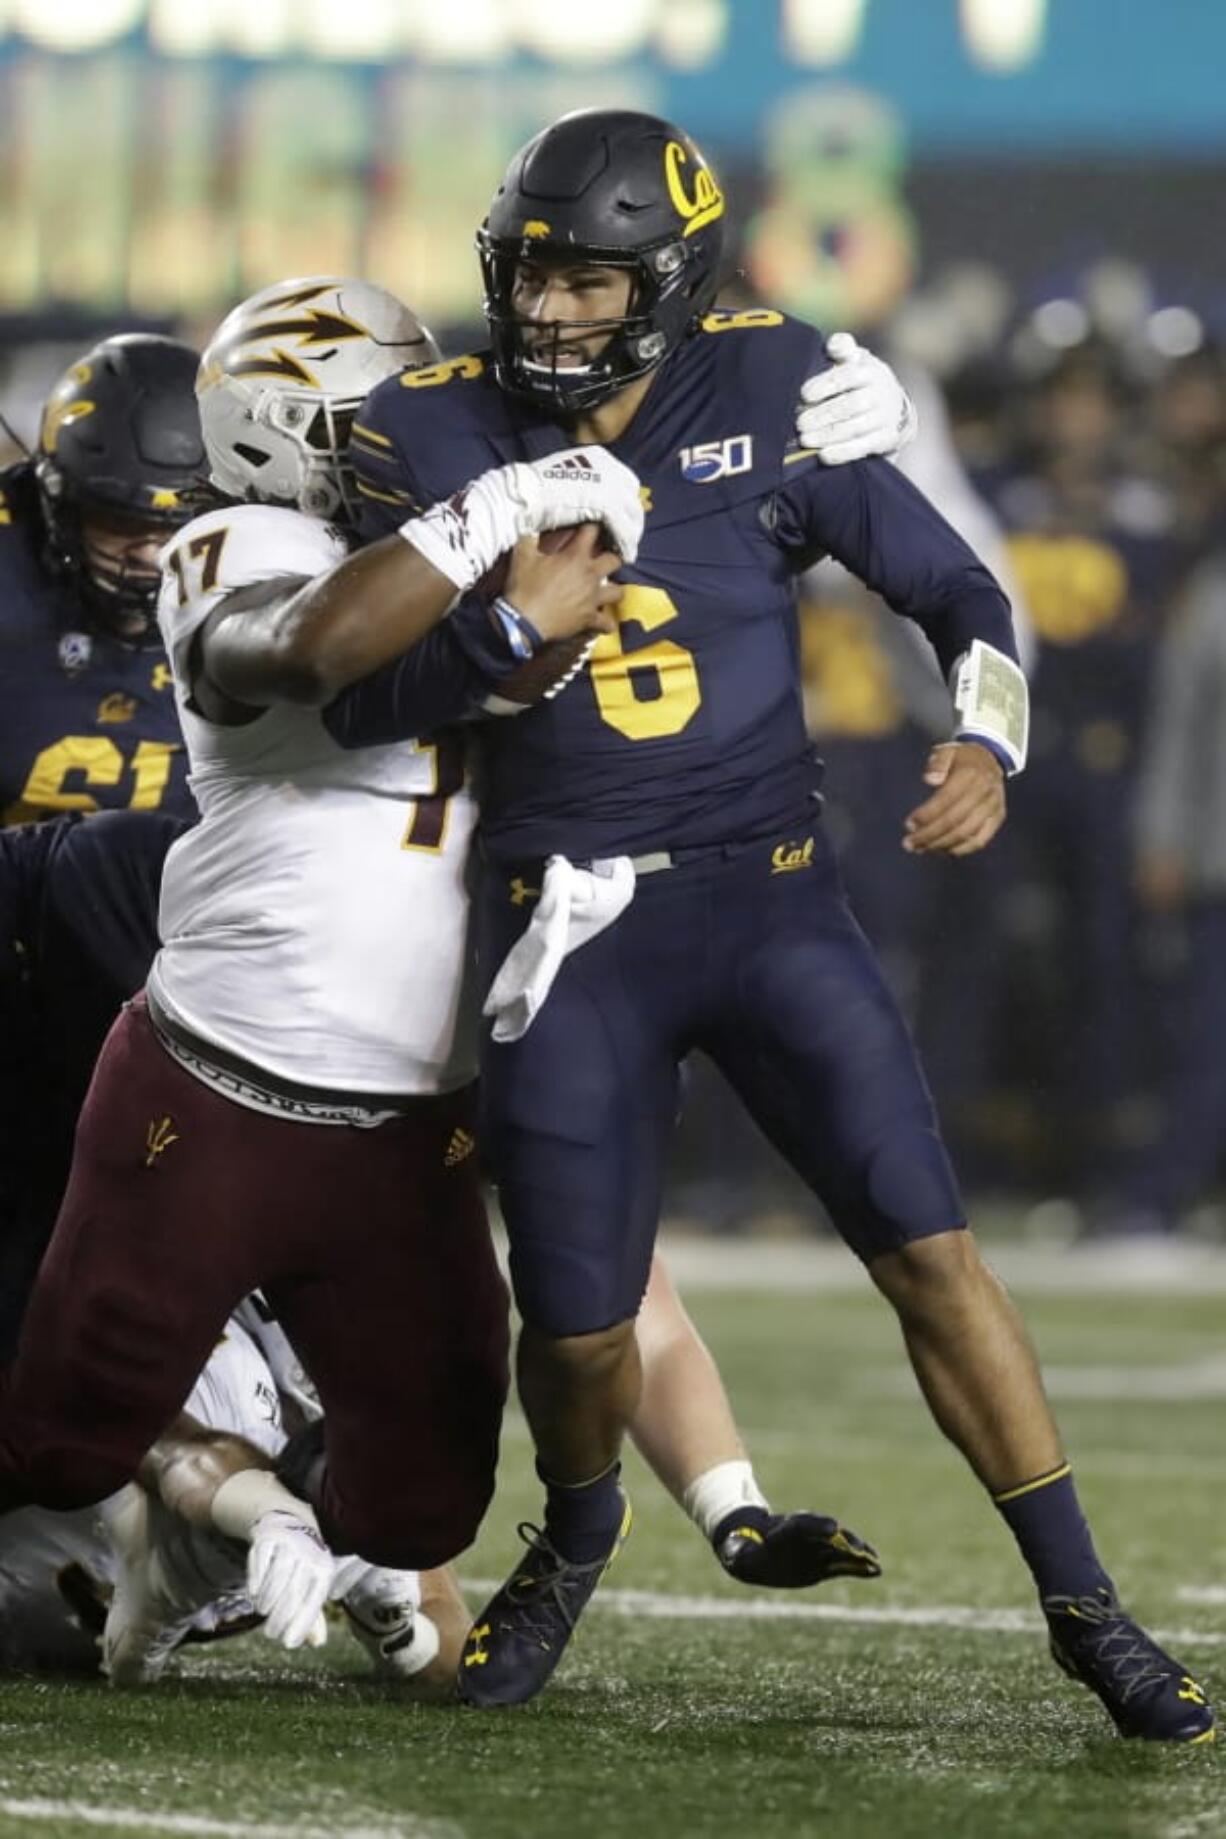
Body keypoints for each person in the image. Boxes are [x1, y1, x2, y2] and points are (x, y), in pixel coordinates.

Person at [342, 110, 1214, 1741]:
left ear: (666, 284)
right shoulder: (428, 424)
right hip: (561, 915)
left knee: (933, 1252)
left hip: (767, 893)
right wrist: (502, 630)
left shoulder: (769, 384)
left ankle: (1087, 1601)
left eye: (590, 284)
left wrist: (986, 732)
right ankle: (579, 1527)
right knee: (581, 1321)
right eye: (534, 273)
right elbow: (358, 695)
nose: (548, 311)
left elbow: (961, 589)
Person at [0, 276, 638, 1578]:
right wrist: (504, 530)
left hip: (402, 1104)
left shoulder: (425, 558)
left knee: (421, 1509)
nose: (417, 443)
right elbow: (313, 657)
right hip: (199, 1057)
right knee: (57, 1443)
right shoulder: (231, 549)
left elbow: (519, 669)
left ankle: (236, 1528)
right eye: (376, 422)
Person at [0, 1292, 460, 1693]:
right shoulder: (218, 1369)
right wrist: (264, 1510)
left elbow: (453, 1639)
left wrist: (405, 1638)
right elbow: (172, 1447)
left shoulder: (363, 1468)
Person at [0, 334, 205, 828]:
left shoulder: (276, 567)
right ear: (58, 503)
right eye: (125, 523)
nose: (155, 555)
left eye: (182, 525)